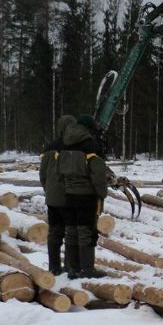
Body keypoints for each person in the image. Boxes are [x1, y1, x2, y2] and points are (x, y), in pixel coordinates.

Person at [58, 114, 108, 279]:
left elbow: (59, 171)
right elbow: (98, 175)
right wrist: (102, 193)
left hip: (68, 195)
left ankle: (71, 268)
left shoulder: (64, 144)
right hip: (86, 196)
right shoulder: (91, 146)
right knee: (86, 232)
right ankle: (87, 270)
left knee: (71, 231)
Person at [39, 115, 75, 274]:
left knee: (54, 233)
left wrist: (50, 192)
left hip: (53, 199)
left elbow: (43, 175)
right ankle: (69, 267)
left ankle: (54, 268)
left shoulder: (49, 148)